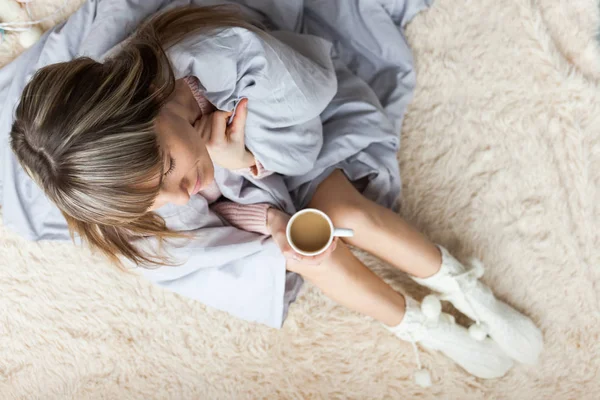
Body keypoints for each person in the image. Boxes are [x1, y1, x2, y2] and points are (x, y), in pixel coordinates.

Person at [8, 4, 542, 383]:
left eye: (169, 166)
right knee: (312, 252)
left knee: (347, 210)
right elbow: (195, 248)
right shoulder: (134, 217)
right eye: (159, 196)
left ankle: (467, 290)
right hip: (247, 211)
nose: (179, 190)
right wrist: (270, 229)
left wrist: (245, 156)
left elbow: (308, 128)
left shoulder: (219, 56)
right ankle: (423, 327)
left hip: (291, 148)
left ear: (152, 97)